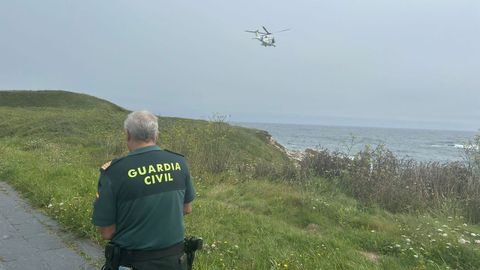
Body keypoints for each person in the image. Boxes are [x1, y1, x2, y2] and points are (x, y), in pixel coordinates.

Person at [92, 110, 195, 270]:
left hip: (133, 262)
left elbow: (107, 232)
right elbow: (187, 208)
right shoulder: (179, 163)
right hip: (174, 261)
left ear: (127, 134)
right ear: (157, 134)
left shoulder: (114, 172)